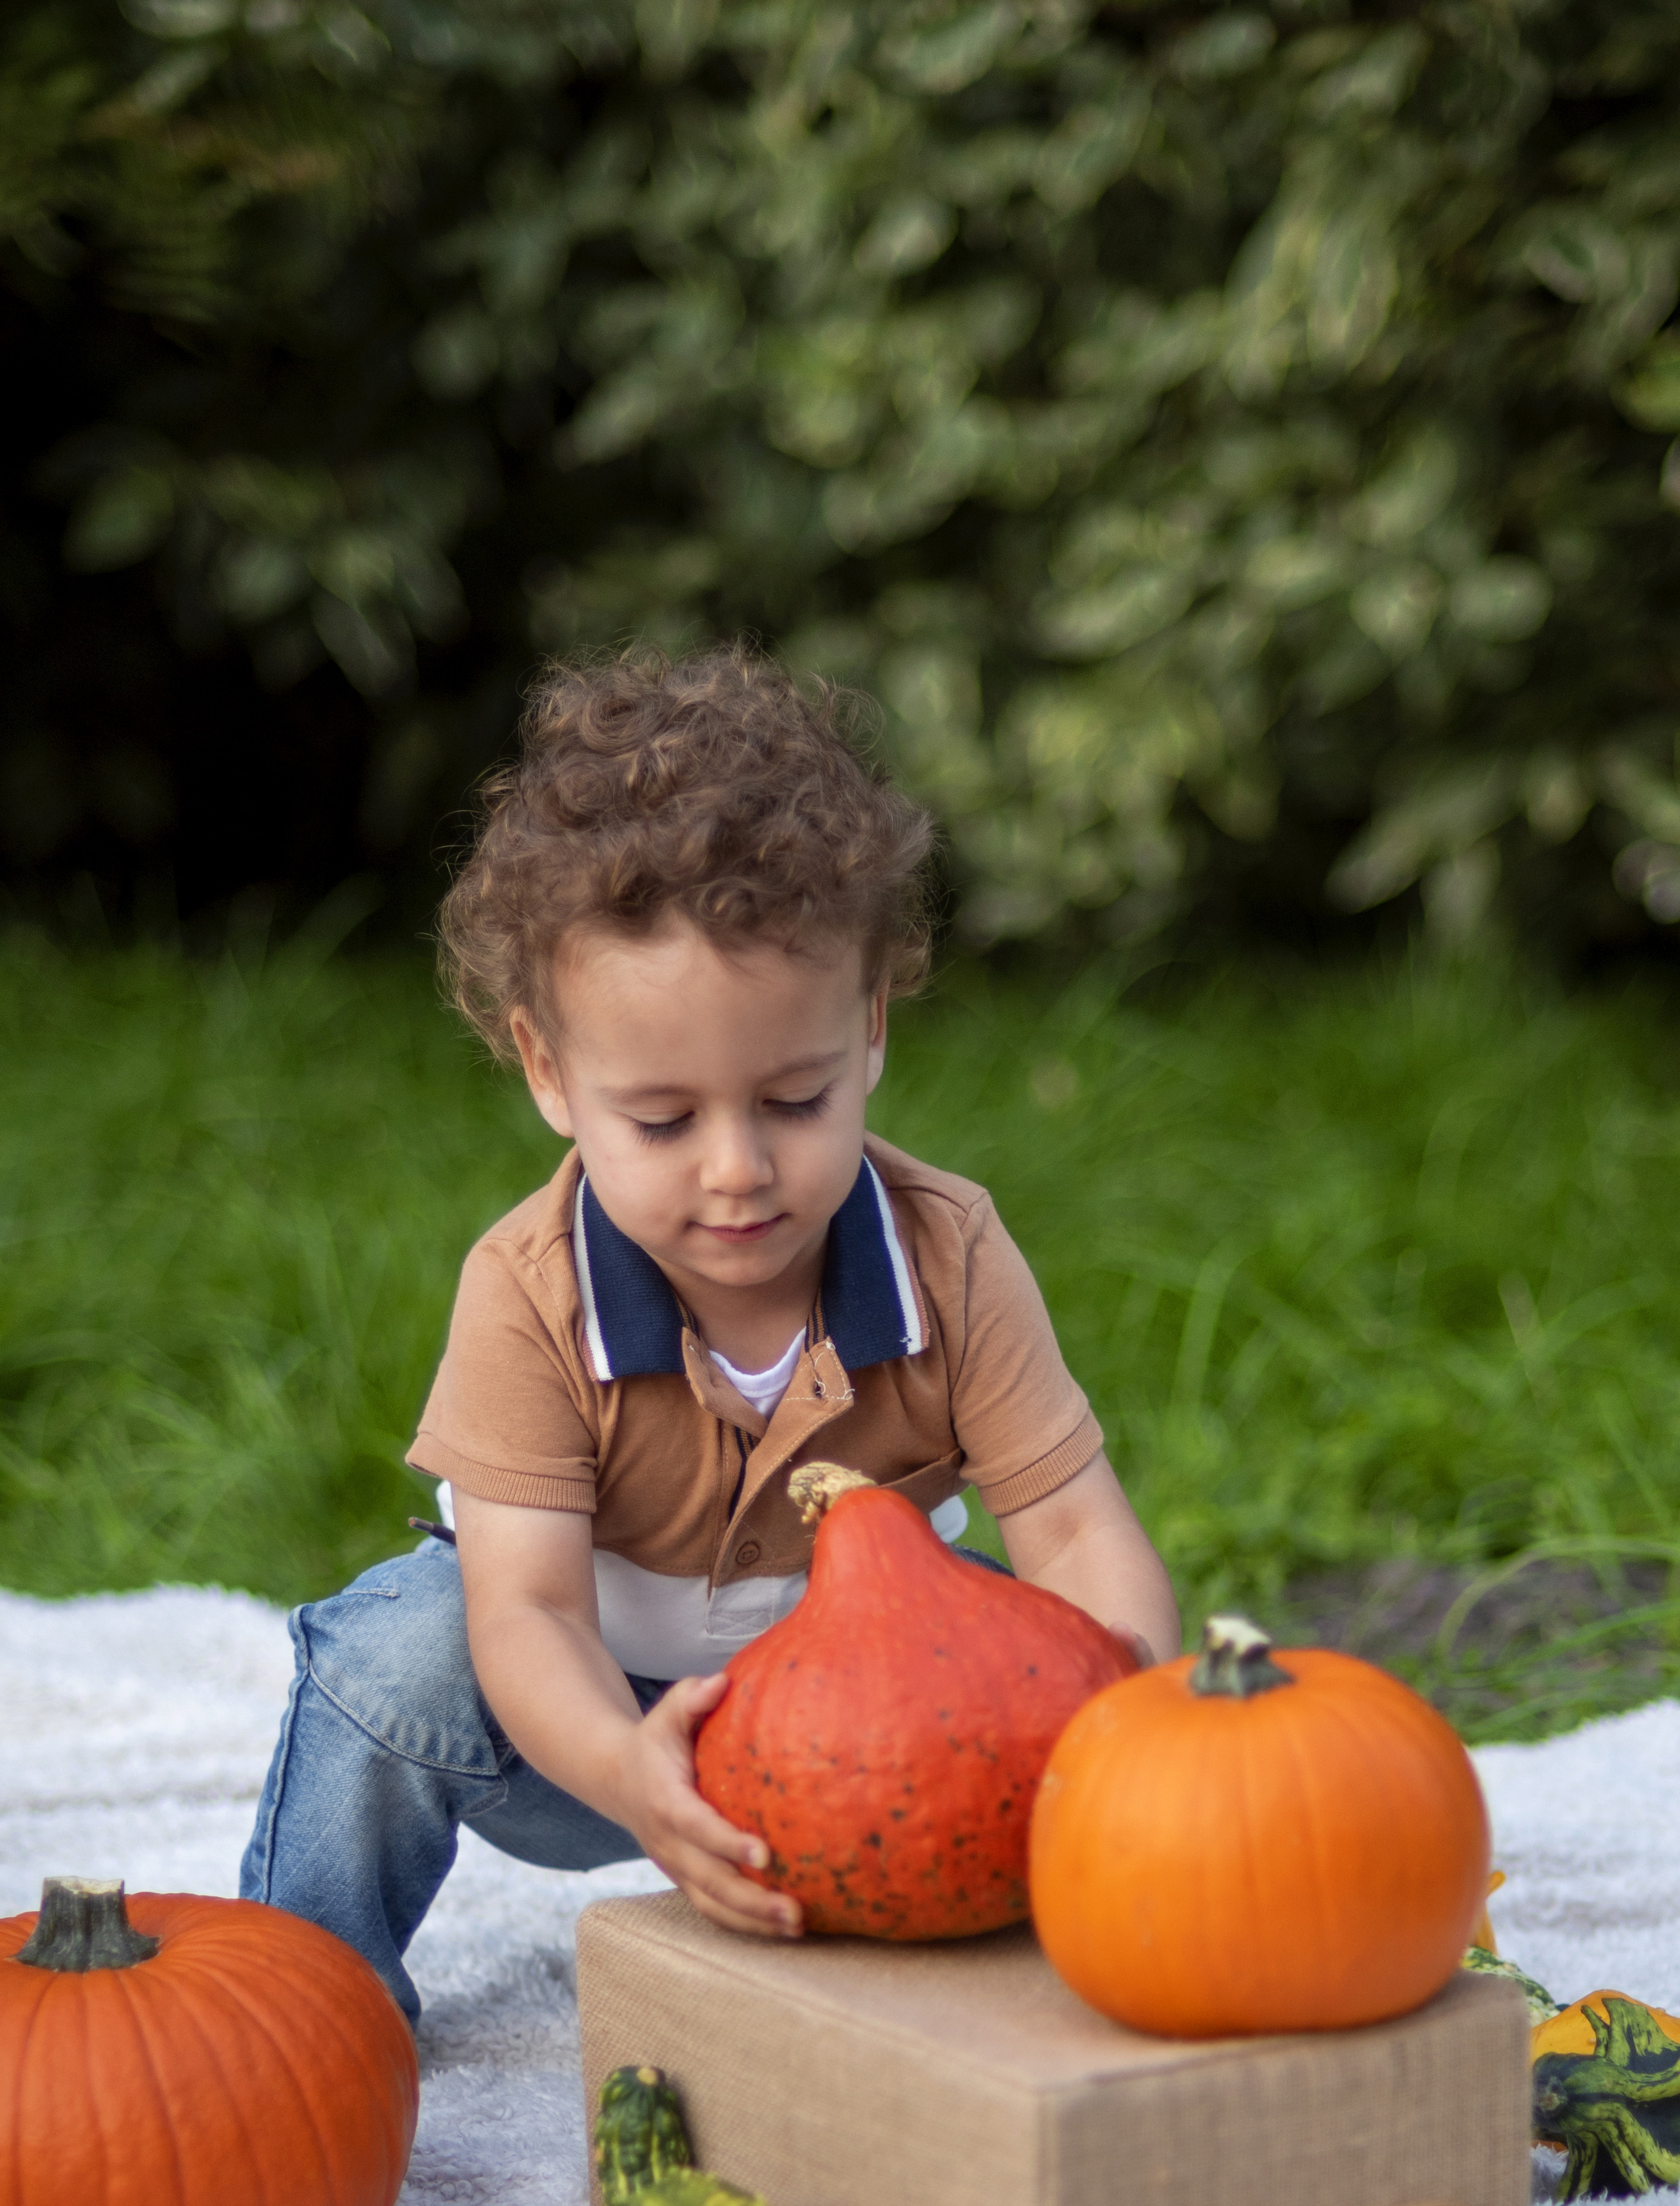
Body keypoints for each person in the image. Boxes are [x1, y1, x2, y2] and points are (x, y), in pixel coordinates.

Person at [240, 646, 1179, 2023]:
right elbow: (528, 1611)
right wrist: (636, 1777)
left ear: (866, 1032)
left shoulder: (948, 1252)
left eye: (792, 1101)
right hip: (588, 1737)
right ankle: (304, 2006)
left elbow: (1079, 1537)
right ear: (550, 1076)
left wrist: (1121, 1741)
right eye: (665, 1122)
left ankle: (985, 1982)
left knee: (1113, 1692)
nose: (736, 1169)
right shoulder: (527, 1293)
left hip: (888, 1747)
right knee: (395, 1652)